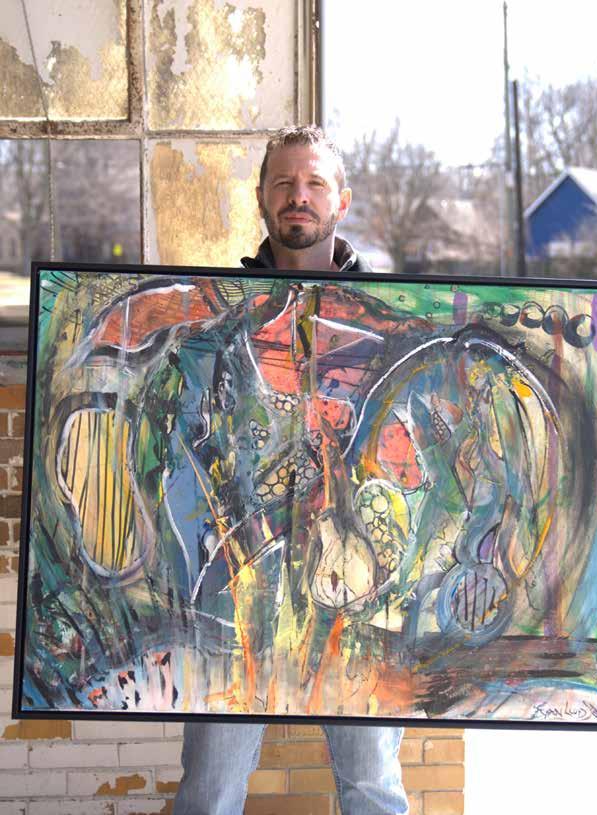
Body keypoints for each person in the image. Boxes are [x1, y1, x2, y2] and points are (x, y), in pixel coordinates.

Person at [173, 126, 409, 815]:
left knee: (371, 785)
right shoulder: (223, 319)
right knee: (210, 788)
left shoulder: (389, 319)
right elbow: (193, 446)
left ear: (341, 200)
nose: (297, 196)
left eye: (313, 183)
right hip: (238, 582)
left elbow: (406, 454)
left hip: (357, 589)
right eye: (283, 183)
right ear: (262, 198)